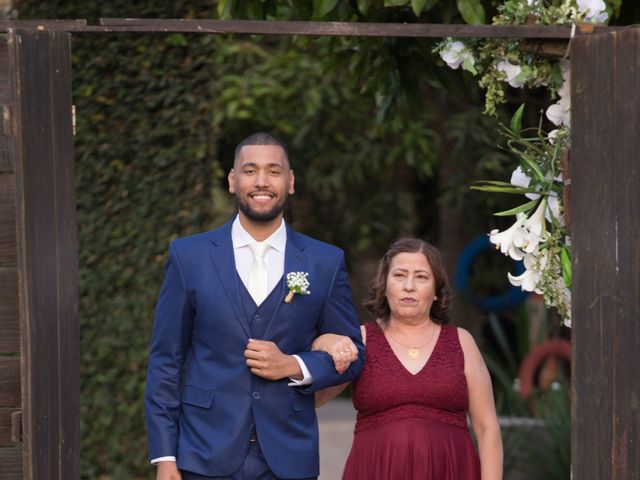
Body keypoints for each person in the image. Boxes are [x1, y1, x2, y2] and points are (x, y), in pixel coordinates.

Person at [145, 132, 364, 480]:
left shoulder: (325, 261)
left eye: (274, 171)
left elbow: (354, 357)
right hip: (203, 454)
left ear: (290, 182)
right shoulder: (189, 256)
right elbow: (165, 359)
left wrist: (294, 365)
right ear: (233, 181)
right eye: (250, 170)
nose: (261, 181)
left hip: (288, 457)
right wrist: (165, 456)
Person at [314, 238, 503, 480]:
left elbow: (487, 428)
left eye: (422, 277)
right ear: (385, 285)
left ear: (436, 291)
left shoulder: (461, 341)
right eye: (400, 275)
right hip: (375, 469)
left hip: (452, 469)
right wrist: (321, 344)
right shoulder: (361, 339)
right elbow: (315, 399)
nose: (409, 286)